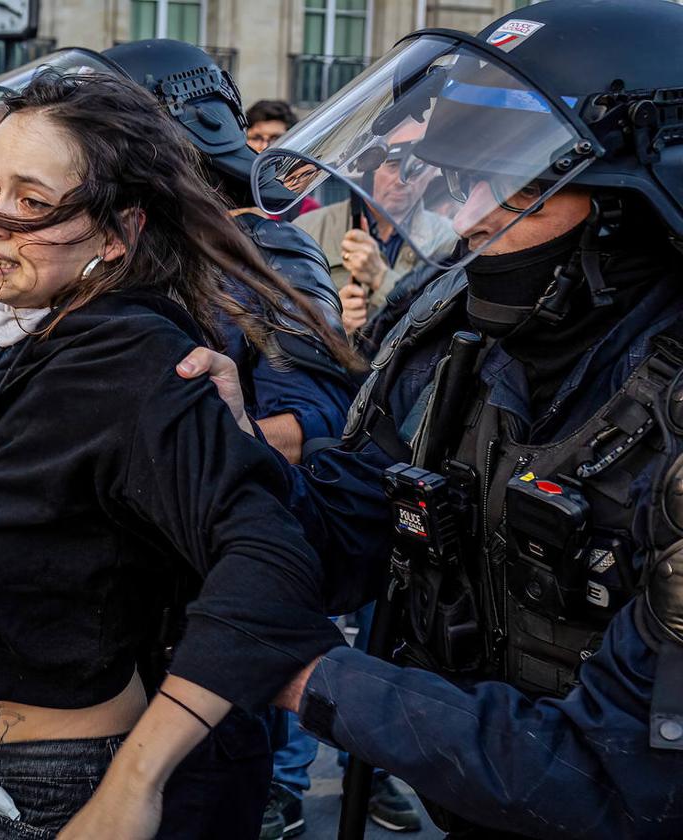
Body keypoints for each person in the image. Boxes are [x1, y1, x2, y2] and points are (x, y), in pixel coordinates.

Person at [73, 2, 683, 837]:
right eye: (459, 178)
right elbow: (354, 516)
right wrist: (221, 447)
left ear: (634, 206)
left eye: (511, 185)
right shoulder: (457, 343)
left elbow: (613, 778)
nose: (468, 216)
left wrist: (308, 677)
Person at [0, 69, 356, 840]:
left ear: (118, 233)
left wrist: (135, 783)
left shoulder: (138, 360)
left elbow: (274, 563)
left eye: (34, 202)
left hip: (54, 797)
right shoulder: (27, 337)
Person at [100, 40, 366, 839]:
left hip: (199, 615)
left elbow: (326, 421)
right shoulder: (121, 251)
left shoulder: (265, 246)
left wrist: (215, 433)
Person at [292, 121, 458, 333]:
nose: (402, 180)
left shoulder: (449, 240)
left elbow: (442, 326)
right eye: (393, 165)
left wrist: (381, 277)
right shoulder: (309, 229)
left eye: (415, 168)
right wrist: (327, 322)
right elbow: (276, 318)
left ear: (432, 172)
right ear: (369, 167)